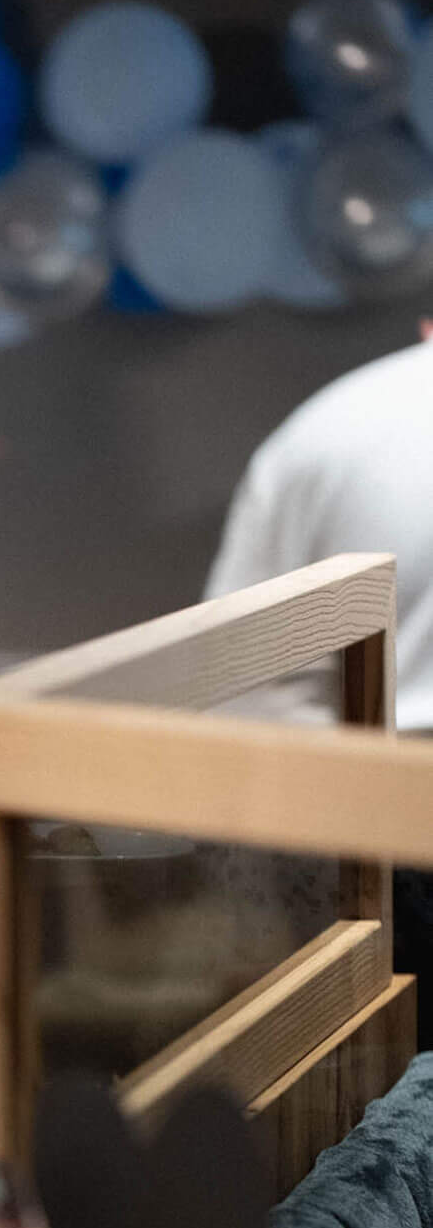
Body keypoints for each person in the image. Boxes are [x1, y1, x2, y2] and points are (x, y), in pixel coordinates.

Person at [205, 325, 433, 1046]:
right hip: (370, 828)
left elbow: (234, 686)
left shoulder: (325, 430)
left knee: (377, 1125)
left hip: (357, 835)